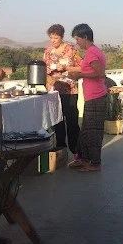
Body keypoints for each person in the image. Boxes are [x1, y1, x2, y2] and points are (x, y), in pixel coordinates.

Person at [68, 24, 107, 172]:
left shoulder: (91, 53)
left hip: (96, 97)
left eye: (77, 39)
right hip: (92, 97)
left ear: (85, 37)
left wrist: (80, 75)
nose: (77, 43)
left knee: (93, 132)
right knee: (86, 130)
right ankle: (83, 159)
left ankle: (95, 163)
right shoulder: (94, 51)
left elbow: (100, 73)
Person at [43, 24, 82, 157]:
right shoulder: (48, 52)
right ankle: (61, 150)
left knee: (72, 120)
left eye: (56, 38)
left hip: (70, 90)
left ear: (62, 37)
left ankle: (76, 150)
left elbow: (81, 67)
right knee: (57, 120)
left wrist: (66, 68)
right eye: (51, 38)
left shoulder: (71, 50)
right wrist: (49, 70)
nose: (53, 41)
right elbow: (44, 69)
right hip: (54, 91)